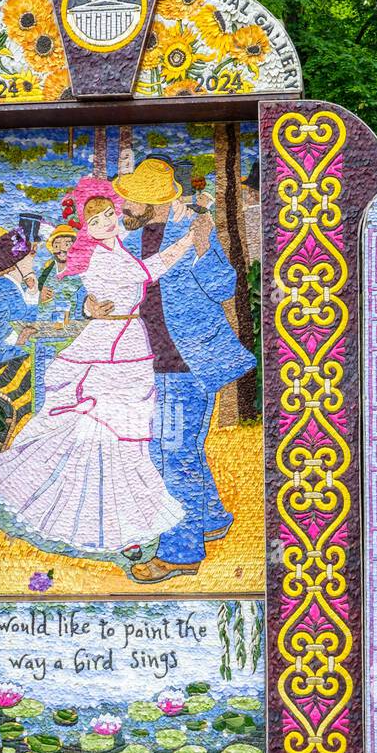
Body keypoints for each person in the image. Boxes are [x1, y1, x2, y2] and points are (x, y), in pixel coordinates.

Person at [0, 177, 208, 555]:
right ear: (86, 227)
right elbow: (148, 273)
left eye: (108, 214)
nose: (105, 221)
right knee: (104, 433)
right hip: (108, 348)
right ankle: (106, 523)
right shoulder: (99, 257)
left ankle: (127, 523)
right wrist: (187, 242)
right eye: (96, 219)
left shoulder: (117, 247)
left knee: (128, 436)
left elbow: (133, 276)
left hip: (128, 344)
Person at [111, 156, 256, 583]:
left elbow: (223, 287)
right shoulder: (132, 243)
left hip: (185, 365)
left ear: (150, 202)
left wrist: (200, 247)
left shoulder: (192, 232)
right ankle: (209, 518)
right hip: (149, 364)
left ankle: (180, 552)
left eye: (131, 200)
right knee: (180, 451)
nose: (124, 206)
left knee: (171, 456)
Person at [0, 226, 39, 445]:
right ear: (16, 262)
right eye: (28, 257)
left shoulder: (13, 286)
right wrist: (19, 340)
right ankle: (19, 440)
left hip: (10, 354)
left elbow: (26, 322)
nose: (32, 261)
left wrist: (32, 294)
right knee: (39, 378)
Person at [37, 223, 85, 321]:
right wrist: (41, 297)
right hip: (46, 324)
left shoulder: (81, 273)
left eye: (67, 244)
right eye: (57, 245)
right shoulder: (47, 271)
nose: (62, 249)